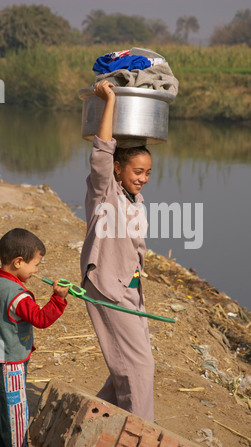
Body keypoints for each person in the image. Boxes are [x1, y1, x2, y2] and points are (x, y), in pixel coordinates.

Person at [80, 80, 155, 422]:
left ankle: (91, 424)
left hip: (131, 292)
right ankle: (140, 437)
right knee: (137, 367)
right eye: (138, 172)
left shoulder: (136, 201)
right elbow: (102, 148)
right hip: (107, 286)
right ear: (117, 169)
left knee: (128, 366)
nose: (143, 178)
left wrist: (139, 294)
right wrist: (110, 99)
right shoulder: (103, 192)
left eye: (148, 173)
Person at [0, 228, 69, 447]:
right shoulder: (17, 295)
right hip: (11, 365)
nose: (37, 270)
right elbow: (40, 318)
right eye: (36, 264)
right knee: (15, 417)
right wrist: (58, 298)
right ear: (18, 262)